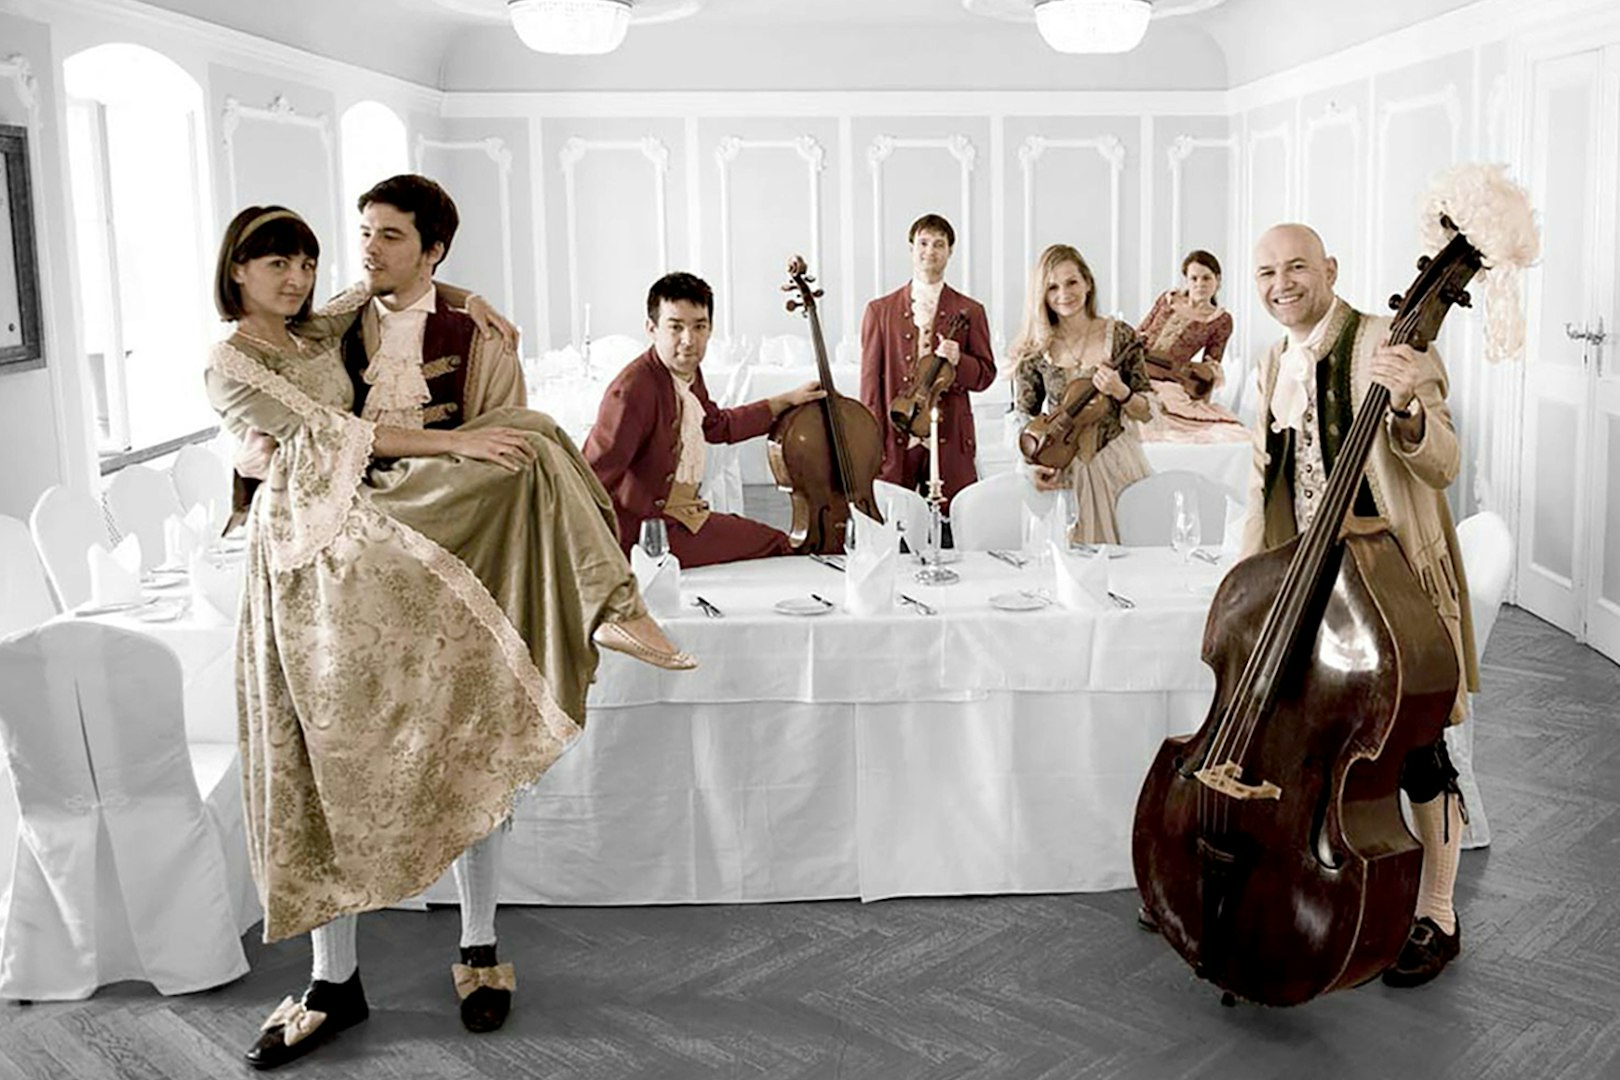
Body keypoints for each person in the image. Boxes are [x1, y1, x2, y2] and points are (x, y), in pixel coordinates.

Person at [204, 205, 693, 1070]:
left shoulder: (320, 327)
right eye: (276, 263)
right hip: (313, 566)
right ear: (237, 269)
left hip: (386, 537)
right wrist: (459, 444)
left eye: (304, 263)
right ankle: (333, 980)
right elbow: (331, 433)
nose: (296, 278)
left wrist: (472, 299)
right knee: (325, 761)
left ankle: (477, 943)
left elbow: (392, 284)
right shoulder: (232, 359)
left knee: (467, 728)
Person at [1240, 222, 1478, 988]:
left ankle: (1437, 911)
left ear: (1330, 269)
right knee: (1320, 738)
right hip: (1312, 581)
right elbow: (1264, 485)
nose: (1283, 283)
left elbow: (1442, 460)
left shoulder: (1385, 337)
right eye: (1269, 272)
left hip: (1392, 583)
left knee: (1417, 750)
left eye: (1298, 266)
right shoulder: (1274, 358)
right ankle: (1330, 871)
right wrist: (1248, 594)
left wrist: (1406, 408)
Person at [584, 272, 822, 568]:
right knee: (777, 545)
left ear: (710, 329)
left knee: (773, 541)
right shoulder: (631, 390)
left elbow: (717, 426)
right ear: (652, 328)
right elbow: (591, 478)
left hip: (684, 516)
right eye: (676, 327)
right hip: (645, 537)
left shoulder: (688, 373)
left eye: (699, 326)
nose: (689, 340)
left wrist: (785, 400)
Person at [1009, 243, 1153, 545]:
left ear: (1087, 282)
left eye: (1072, 282)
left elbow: (1147, 411)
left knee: (1127, 564)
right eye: (1052, 288)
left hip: (1116, 463)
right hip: (1062, 469)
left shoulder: (1121, 336)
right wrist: (1030, 466)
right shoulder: (1036, 348)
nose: (1064, 294)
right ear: (1042, 296)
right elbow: (1023, 418)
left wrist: (1121, 391)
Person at [859, 213, 994, 513]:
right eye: (923, 243)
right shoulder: (879, 311)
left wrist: (960, 362)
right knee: (896, 528)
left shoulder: (971, 310)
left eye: (939, 244)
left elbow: (985, 375)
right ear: (911, 248)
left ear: (950, 251)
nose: (930, 251)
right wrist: (874, 442)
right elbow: (870, 386)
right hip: (896, 438)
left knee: (952, 532)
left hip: (949, 438)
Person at [1136, 250, 1249, 443]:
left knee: (1162, 414)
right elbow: (1140, 331)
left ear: (1218, 280)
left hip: (1169, 381)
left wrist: (1201, 399)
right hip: (1137, 367)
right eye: (1194, 278)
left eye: (1206, 278)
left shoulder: (1220, 320)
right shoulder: (1167, 299)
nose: (1200, 284)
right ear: (1186, 280)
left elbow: (1210, 366)